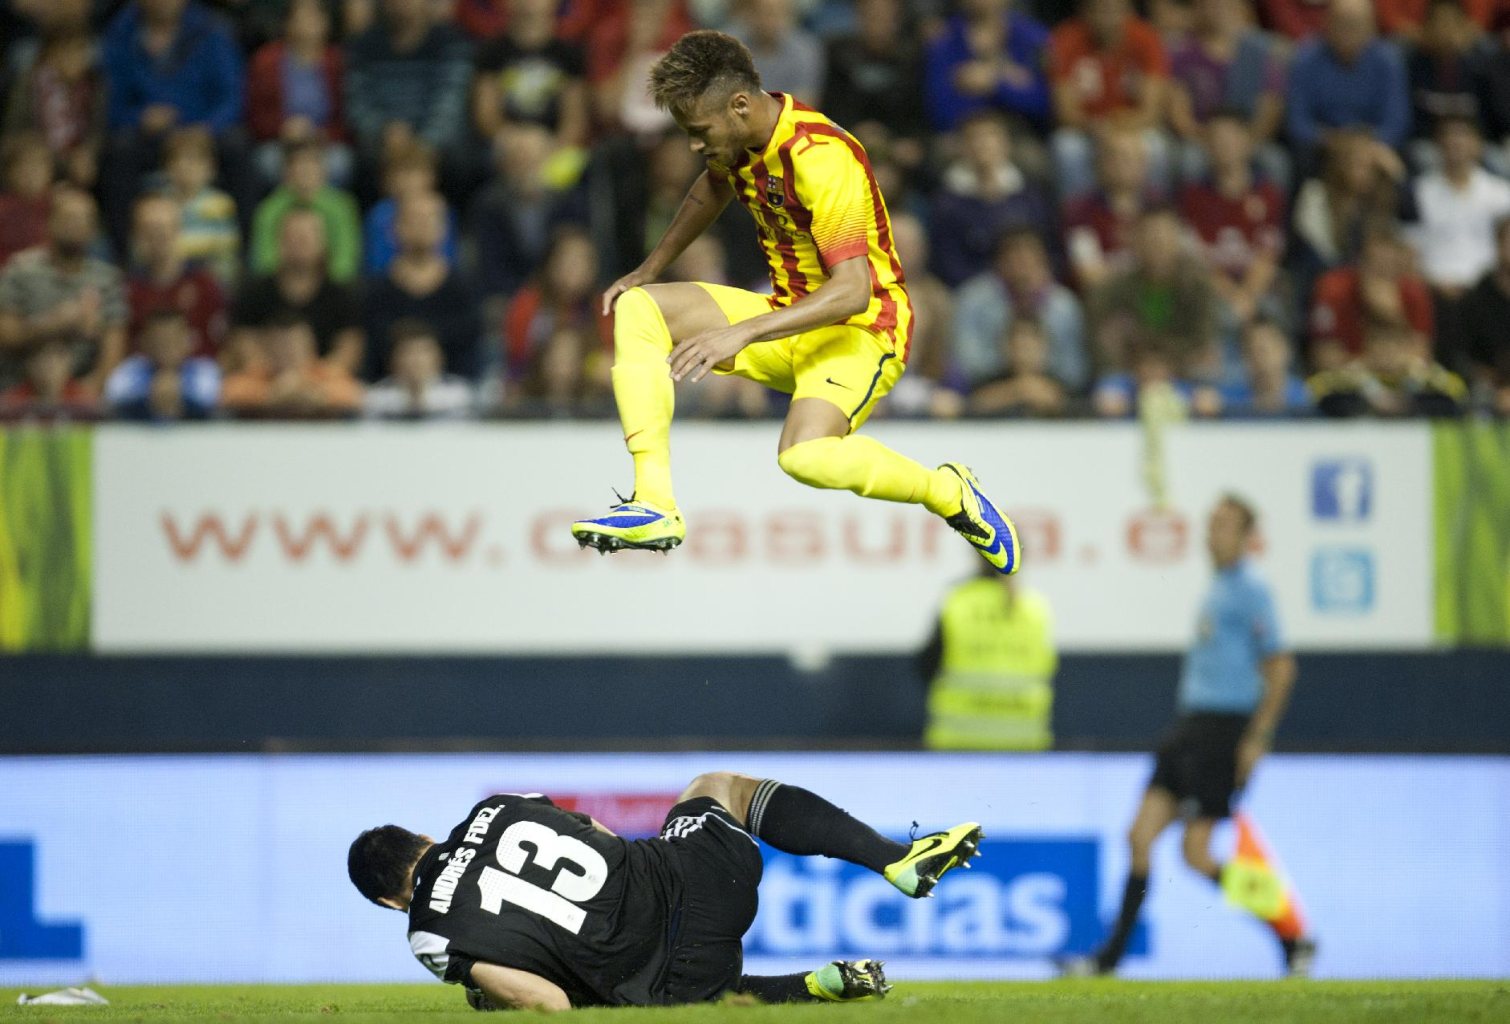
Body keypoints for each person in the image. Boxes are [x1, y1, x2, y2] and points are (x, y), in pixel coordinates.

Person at [569, 31, 1020, 576]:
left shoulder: (820, 158)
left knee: (805, 457)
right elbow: (712, 188)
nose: (693, 145)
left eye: (699, 132)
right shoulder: (737, 138)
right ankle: (654, 503)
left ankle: (949, 492)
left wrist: (741, 332)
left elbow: (853, 289)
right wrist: (650, 268)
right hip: (789, 317)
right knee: (640, 306)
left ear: (738, 105)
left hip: (861, 330)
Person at [349, 771, 983, 1009]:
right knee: (718, 786)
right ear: (425, 837)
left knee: (610, 985)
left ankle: (806, 986)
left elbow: (548, 1005)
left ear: (386, 900)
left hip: (678, 981)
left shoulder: (429, 934)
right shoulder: (498, 807)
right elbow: (595, 833)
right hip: (708, 880)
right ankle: (893, 859)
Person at [1062, 495, 1317, 979]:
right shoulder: (1218, 587)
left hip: (1224, 731)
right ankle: (1107, 960)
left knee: (1196, 855)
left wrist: (1256, 738)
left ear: (1246, 536)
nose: (1213, 532)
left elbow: (1281, 668)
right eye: (1212, 523)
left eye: (1225, 525)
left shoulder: (1251, 591)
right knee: (1139, 837)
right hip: (1189, 729)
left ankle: (1292, 936)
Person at [918, 558, 1057, 749]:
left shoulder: (958, 603)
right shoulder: (1034, 608)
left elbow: (926, 668)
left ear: (978, 558)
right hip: (1022, 746)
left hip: (959, 745)